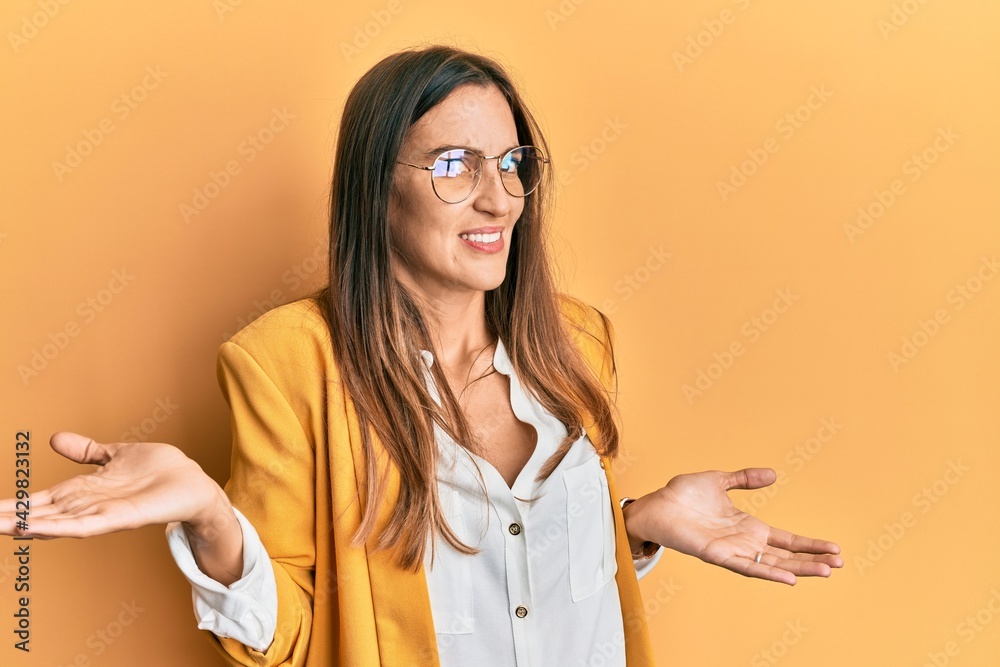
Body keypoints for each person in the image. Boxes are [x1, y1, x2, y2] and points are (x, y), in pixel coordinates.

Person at [0, 46, 842, 666]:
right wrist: (210, 516)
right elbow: (290, 639)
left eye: (511, 164)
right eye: (453, 165)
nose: (498, 197)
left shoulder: (579, 341)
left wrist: (632, 528)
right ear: (375, 187)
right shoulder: (284, 365)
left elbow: (523, 578)